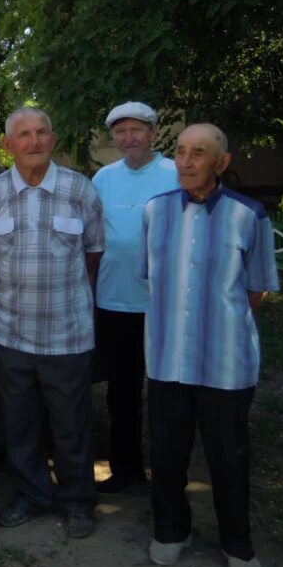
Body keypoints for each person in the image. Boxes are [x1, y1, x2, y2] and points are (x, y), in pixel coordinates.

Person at [141, 124, 278, 567]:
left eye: (198, 153)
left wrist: (217, 317)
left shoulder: (250, 215)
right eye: (180, 152)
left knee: (229, 457)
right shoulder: (154, 213)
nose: (185, 161)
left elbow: (257, 288)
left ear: (221, 162)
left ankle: (237, 543)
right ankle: (170, 531)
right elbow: (154, 278)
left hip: (225, 363)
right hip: (166, 359)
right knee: (166, 453)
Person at [0, 107, 104, 539]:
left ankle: (77, 501)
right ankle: (31, 496)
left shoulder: (79, 190)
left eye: (41, 133)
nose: (33, 141)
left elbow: (93, 255)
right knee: (19, 424)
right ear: (7, 144)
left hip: (67, 335)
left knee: (72, 425)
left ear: (52, 140)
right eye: (23, 134)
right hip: (10, 333)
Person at [91, 102, 178, 494]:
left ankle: (169, 473)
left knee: (167, 392)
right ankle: (125, 469)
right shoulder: (103, 179)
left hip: (164, 304)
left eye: (136, 130)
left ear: (154, 132)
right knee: (121, 392)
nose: (129, 138)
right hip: (114, 300)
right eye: (121, 132)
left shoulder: (176, 174)